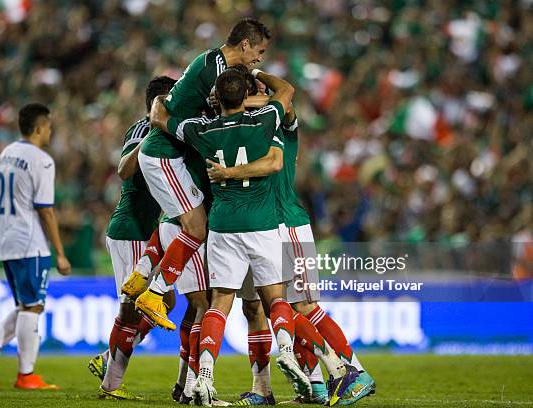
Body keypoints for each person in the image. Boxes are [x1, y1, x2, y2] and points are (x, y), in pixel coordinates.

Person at [149, 67, 347, 406]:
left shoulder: (203, 130)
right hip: (261, 223)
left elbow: (162, 118)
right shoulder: (264, 121)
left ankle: (206, 375)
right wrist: (257, 72)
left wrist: (161, 99)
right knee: (277, 297)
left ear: (216, 98)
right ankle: (286, 349)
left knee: (220, 304)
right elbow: (285, 91)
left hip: (223, 226)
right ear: (245, 97)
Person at [209, 103, 375, 406]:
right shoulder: (243, 130)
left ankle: (355, 372)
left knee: (304, 307)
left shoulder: (278, 122)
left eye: (257, 95)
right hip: (259, 228)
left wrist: (257, 86)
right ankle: (308, 386)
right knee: (266, 309)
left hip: (289, 226)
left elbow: (286, 95)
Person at [121, 18, 272, 331]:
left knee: (188, 214)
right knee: (196, 226)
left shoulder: (209, 61)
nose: (259, 57)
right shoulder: (217, 72)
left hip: (168, 153)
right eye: (259, 50)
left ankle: (142, 271)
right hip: (165, 155)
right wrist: (271, 100)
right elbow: (233, 105)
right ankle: (155, 292)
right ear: (245, 44)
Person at [87, 76, 178, 400]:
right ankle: (111, 383)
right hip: (131, 230)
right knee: (131, 308)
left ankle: (108, 360)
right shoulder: (143, 129)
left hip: (144, 230)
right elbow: (124, 170)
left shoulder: (168, 128)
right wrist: (154, 132)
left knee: (165, 301)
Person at [0, 103, 71, 390]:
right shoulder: (41, 160)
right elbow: (46, 210)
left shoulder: (6, 155)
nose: (51, 132)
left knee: (25, 304)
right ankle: (26, 375)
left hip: (7, 240)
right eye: (49, 127)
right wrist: (60, 252)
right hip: (31, 243)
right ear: (40, 127)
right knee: (33, 307)